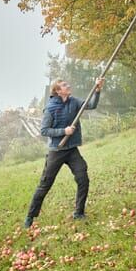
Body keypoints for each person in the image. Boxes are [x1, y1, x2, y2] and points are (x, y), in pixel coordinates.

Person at [24, 77, 105, 228]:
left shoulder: (73, 101)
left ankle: (79, 212)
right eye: (64, 85)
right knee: (45, 184)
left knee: (83, 178)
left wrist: (98, 89)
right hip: (57, 151)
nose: (68, 85)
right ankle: (30, 216)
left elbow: (92, 104)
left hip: (72, 149)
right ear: (57, 91)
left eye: (67, 83)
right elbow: (44, 130)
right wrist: (64, 131)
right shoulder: (50, 108)